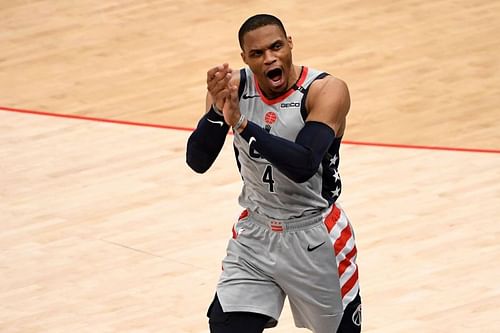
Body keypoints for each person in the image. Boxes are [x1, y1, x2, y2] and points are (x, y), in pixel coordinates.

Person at [186, 14, 361, 333]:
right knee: (225, 326)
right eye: (257, 54)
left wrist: (241, 124)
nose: (269, 59)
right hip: (256, 232)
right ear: (245, 58)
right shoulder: (233, 88)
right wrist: (215, 112)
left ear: (290, 44)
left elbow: (304, 164)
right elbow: (197, 161)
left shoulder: (325, 90)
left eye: (276, 47)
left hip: (314, 236)